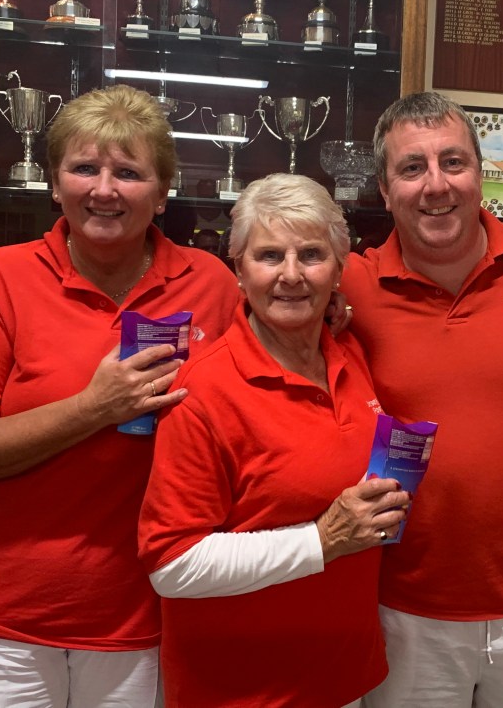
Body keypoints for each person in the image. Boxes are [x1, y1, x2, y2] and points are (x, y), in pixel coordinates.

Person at [0, 84, 240, 707]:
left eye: (128, 173)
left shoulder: (211, 283)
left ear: (162, 192)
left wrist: (333, 311)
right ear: (54, 183)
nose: (104, 190)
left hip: (144, 616)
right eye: (84, 168)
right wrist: (96, 407)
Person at [342, 92, 503, 707]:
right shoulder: (350, 286)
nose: (436, 185)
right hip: (407, 606)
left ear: (479, 172)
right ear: (384, 188)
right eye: (412, 167)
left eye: (453, 162)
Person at [137, 173, 411, 708]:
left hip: (344, 676)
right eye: (269, 256)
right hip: (242, 690)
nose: (291, 274)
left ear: (339, 269)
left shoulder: (349, 355)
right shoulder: (205, 390)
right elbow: (170, 563)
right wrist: (322, 540)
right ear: (239, 269)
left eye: (311, 254)